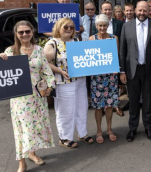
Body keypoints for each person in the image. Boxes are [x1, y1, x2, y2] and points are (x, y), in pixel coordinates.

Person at [0, 21, 56, 172]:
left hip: (38, 97)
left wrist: (50, 87)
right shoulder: (10, 52)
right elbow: (4, 74)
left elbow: (46, 71)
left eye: (27, 31)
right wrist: (1, 60)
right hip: (20, 99)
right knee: (21, 129)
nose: (24, 34)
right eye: (21, 32)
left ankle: (32, 153)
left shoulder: (39, 50)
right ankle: (21, 162)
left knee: (34, 127)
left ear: (32, 32)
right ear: (16, 35)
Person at [44, 17, 93, 149]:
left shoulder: (76, 40)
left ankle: (83, 133)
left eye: (71, 27)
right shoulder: (52, 44)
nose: (69, 29)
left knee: (82, 108)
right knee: (65, 111)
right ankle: (65, 137)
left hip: (80, 81)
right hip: (64, 83)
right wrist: (59, 71)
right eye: (66, 27)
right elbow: (45, 63)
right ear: (59, 28)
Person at [119, 1, 151, 142]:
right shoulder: (126, 26)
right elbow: (122, 51)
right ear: (135, 10)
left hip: (149, 70)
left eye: (145, 10)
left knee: (149, 101)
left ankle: (148, 128)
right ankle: (132, 129)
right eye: (140, 10)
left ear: (149, 10)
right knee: (134, 101)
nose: (142, 13)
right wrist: (122, 71)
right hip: (132, 70)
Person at [89, 14, 120, 143]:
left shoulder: (114, 38)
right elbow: (89, 58)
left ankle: (109, 129)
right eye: (100, 25)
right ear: (96, 26)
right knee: (98, 106)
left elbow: (116, 56)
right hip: (97, 77)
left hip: (111, 76)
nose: (102, 27)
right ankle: (99, 131)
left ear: (108, 26)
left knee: (110, 105)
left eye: (105, 25)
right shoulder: (91, 39)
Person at [92, 1, 124, 116]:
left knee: (112, 99)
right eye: (105, 9)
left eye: (109, 9)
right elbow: (90, 52)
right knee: (98, 105)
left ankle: (115, 107)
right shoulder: (93, 36)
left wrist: (118, 68)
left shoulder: (118, 26)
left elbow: (118, 51)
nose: (107, 11)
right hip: (98, 73)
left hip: (111, 71)